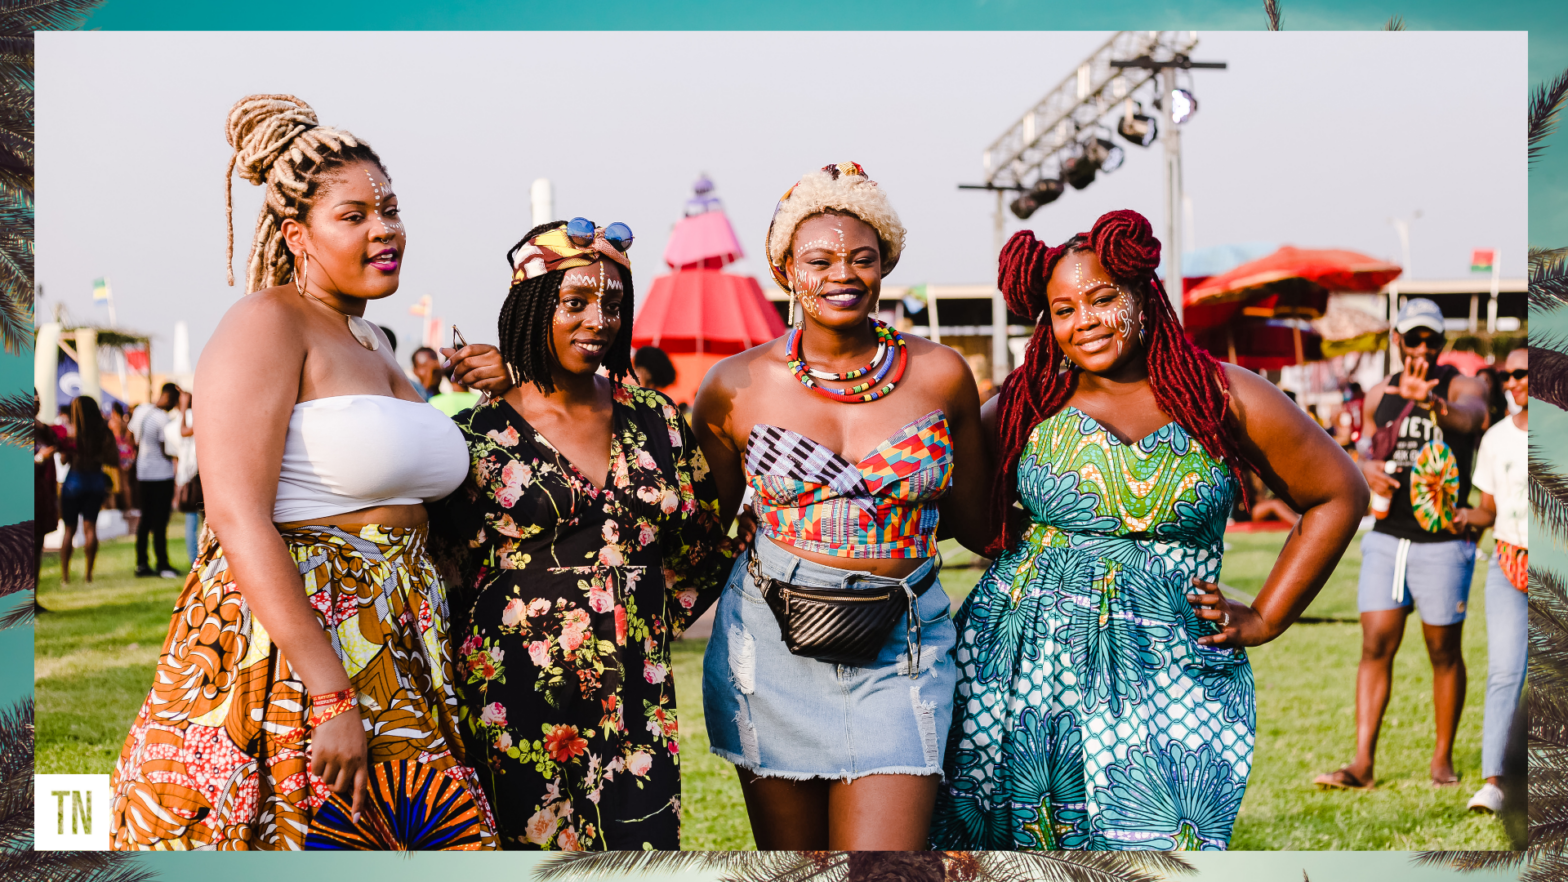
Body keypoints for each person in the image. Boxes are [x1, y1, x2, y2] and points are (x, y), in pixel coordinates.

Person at [110, 94, 512, 850]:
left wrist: (508, 384)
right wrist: (329, 691)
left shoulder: (371, 340)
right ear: (297, 234)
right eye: (353, 215)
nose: (384, 228)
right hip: (300, 642)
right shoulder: (265, 322)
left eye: (389, 209)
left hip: (397, 638)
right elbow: (234, 515)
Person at [930, 211, 1367, 850]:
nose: (1085, 320)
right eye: (1063, 308)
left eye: (1103, 298)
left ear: (1143, 295)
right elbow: (945, 498)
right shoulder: (1030, 401)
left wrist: (1268, 616)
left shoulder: (1221, 394)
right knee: (1016, 848)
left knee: (1161, 845)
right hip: (1017, 663)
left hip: (1172, 666)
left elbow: (1338, 493)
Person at [694, 162, 991, 850]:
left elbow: (978, 522)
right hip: (769, 647)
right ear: (786, 271)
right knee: (795, 870)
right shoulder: (734, 384)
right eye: (819, 259)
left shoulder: (941, 374)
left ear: (885, 263)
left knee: (882, 867)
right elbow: (701, 525)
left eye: (862, 257)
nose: (843, 274)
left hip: (903, 645)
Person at [428, 218, 731, 851]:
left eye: (613, 304)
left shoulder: (656, 419)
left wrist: (635, 616)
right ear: (533, 307)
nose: (599, 319)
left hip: (638, 699)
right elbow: (446, 571)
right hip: (515, 694)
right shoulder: (479, 433)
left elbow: (700, 547)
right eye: (575, 303)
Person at [1314, 297, 1487, 791]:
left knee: (1443, 651)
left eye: (1432, 339)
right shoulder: (1377, 395)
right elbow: (1363, 449)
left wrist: (1431, 401)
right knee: (1375, 646)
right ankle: (1363, 763)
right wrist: (1365, 467)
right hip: (1389, 539)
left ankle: (1441, 761)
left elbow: (1471, 419)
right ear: (1398, 340)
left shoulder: (1461, 383)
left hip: (1441, 543)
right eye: (1414, 338)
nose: (1423, 348)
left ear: (1442, 343)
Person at [1463, 347, 1528, 813]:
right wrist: (1460, 514)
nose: (1514, 383)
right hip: (1507, 563)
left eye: (1523, 374)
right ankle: (1495, 783)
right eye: (1508, 376)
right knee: (1504, 672)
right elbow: (1488, 508)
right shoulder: (1496, 439)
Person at [58, 396, 119, 584]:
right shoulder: (104, 433)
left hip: (74, 480)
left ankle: (65, 576)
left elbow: (63, 460)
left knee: (69, 529)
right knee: (90, 528)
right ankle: (88, 575)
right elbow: (114, 460)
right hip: (95, 480)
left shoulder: (73, 433)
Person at [129, 383, 180, 578]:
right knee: (160, 521)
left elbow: (132, 438)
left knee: (145, 520)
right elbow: (167, 449)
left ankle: (141, 563)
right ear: (169, 397)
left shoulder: (141, 411)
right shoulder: (163, 419)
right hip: (161, 474)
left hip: (143, 472)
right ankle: (163, 564)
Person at [168, 390, 201, 569]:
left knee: (193, 520)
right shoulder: (199, 415)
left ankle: (195, 559)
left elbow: (183, 432)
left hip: (195, 476)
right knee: (198, 520)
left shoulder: (195, 418)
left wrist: (182, 407)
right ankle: (198, 558)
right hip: (196, 475)